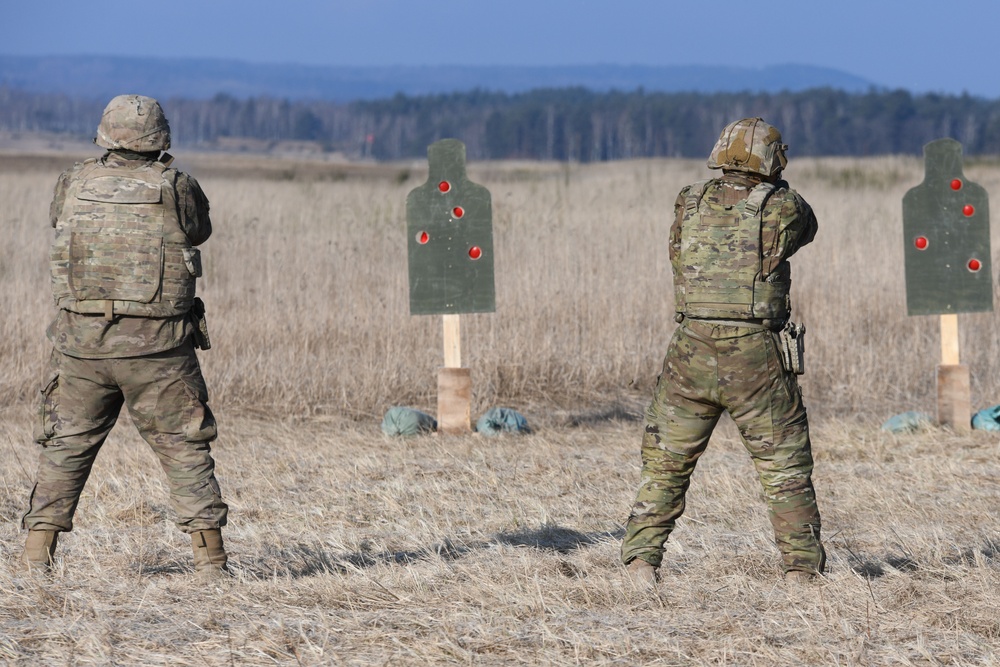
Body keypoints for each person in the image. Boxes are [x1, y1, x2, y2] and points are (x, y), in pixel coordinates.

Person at [21, 94, 229, 580]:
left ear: (105, 133)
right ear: (161, 138)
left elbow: (60, 222)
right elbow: (198, 231)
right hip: (159, 350)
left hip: (82, 347)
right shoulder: (177, 186)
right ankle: (211, 565)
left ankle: (36, 558)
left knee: (64, 447)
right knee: (185, 448)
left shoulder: (73, 181)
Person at [620, 117, 825, 585]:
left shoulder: (689, 200)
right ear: (773, 161)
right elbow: (807, 227)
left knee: (666, 462)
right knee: (783, 464)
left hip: (690, 347)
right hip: (754, 353)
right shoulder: (783, 207)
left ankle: (639, 564)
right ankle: (801, 572)